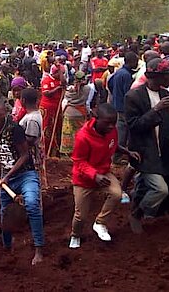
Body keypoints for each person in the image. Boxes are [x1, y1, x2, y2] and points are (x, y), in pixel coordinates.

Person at [69, 104, 140, 249]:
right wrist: (94, 176)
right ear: (96, 119)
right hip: (83, 179)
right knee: (80, 215)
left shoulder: (111, 131)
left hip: (103, 172)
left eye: (113, 123)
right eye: (107, 123)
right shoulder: (83, 137)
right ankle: (75, 235)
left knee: (116, 194)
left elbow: (113, 144)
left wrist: (127, 152)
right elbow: (79, 161)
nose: (111, 126)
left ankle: (100, 223)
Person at [125, 57, 169, 233]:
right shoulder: (133, 96)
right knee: (160, 189)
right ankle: (137, 214)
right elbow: (134, 126)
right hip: (144, 152)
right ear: (156, 77)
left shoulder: (166, 95)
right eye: (168, 75)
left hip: (162, 151)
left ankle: (137, 206)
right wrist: (155, 109)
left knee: (144, 185)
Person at [0, 98, 44, 265]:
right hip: (6, 176)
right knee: (5, 212)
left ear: (5, 113)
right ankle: (7, 247)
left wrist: (7, 175)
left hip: (25, 174)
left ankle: (39, 249)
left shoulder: (15, 129)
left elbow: (25, 155)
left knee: (32, 204)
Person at [60, 71, 92, 156]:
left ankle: (68, 151)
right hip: (80, 113)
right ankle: (79, 149)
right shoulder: (88, 89)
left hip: (69, 112)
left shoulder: (69, 90)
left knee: (69, 133)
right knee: (79, 133)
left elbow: (66, 98)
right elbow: (87, 102)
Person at [40, 64, 65, 158]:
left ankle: (55, 151)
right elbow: (46, 93)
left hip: (57, 108)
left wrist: (61, 75)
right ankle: (46, 151)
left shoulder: (60, 81)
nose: (62, 75)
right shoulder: (47, 80)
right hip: (47, 109)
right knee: (47, 129)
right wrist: (57, 88)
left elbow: (64, 83)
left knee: (58, 128)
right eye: (61, 73)